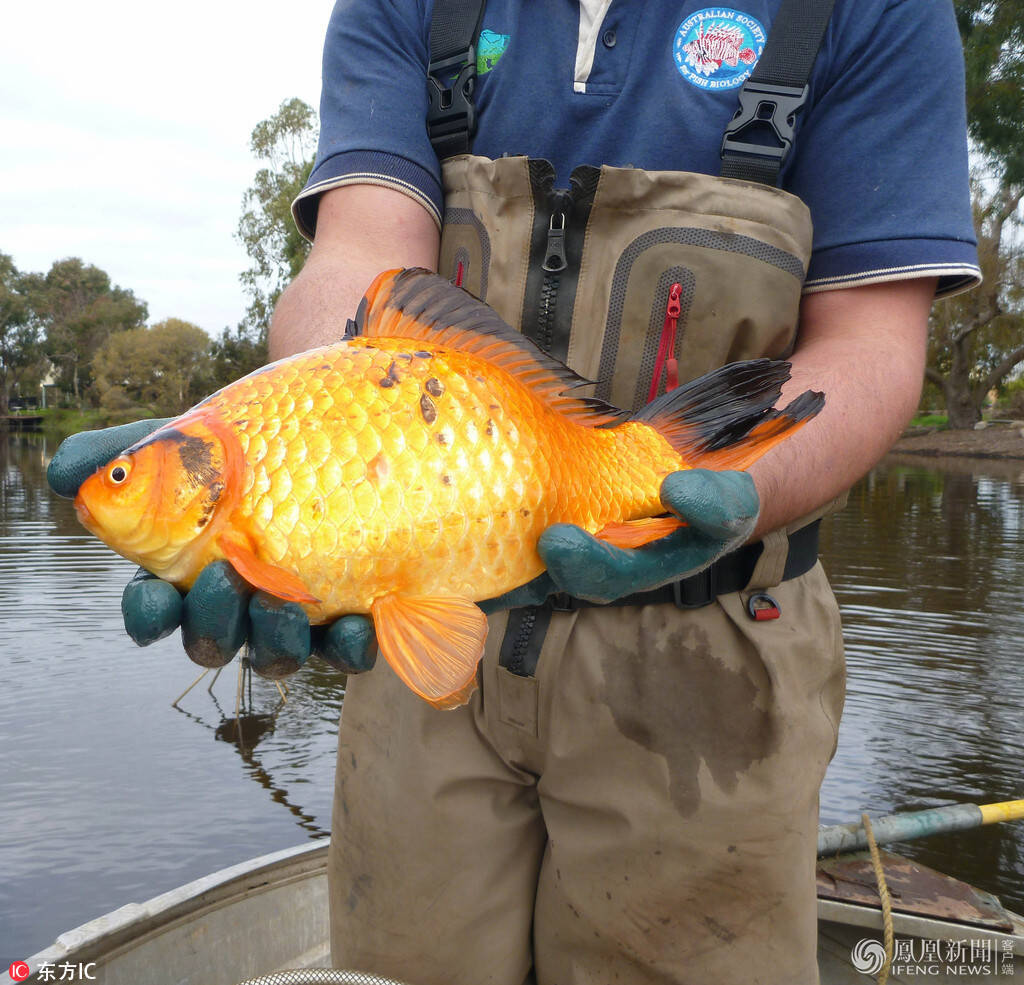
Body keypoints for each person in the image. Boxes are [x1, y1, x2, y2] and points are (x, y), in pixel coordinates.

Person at [49, 0, 980, 982]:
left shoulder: (873, 13)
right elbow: (358, 260)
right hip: (426, 640)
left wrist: (719, 494)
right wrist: (322, 410)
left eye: (124, 480)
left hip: (718, 661)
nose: (110, 493)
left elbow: (871, 344)